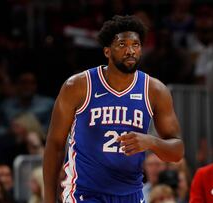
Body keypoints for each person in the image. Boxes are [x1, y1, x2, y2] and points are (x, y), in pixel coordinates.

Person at [43, 15, 184, 203]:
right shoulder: (78, 86)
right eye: (122, 45)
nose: (130, 50)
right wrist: (49, 199)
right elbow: (55, 145)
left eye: (136, 45)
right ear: (107, 51)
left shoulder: (155, 90)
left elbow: (177, 151)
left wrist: (151, 142)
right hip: (85, 193)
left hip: (131, 194)